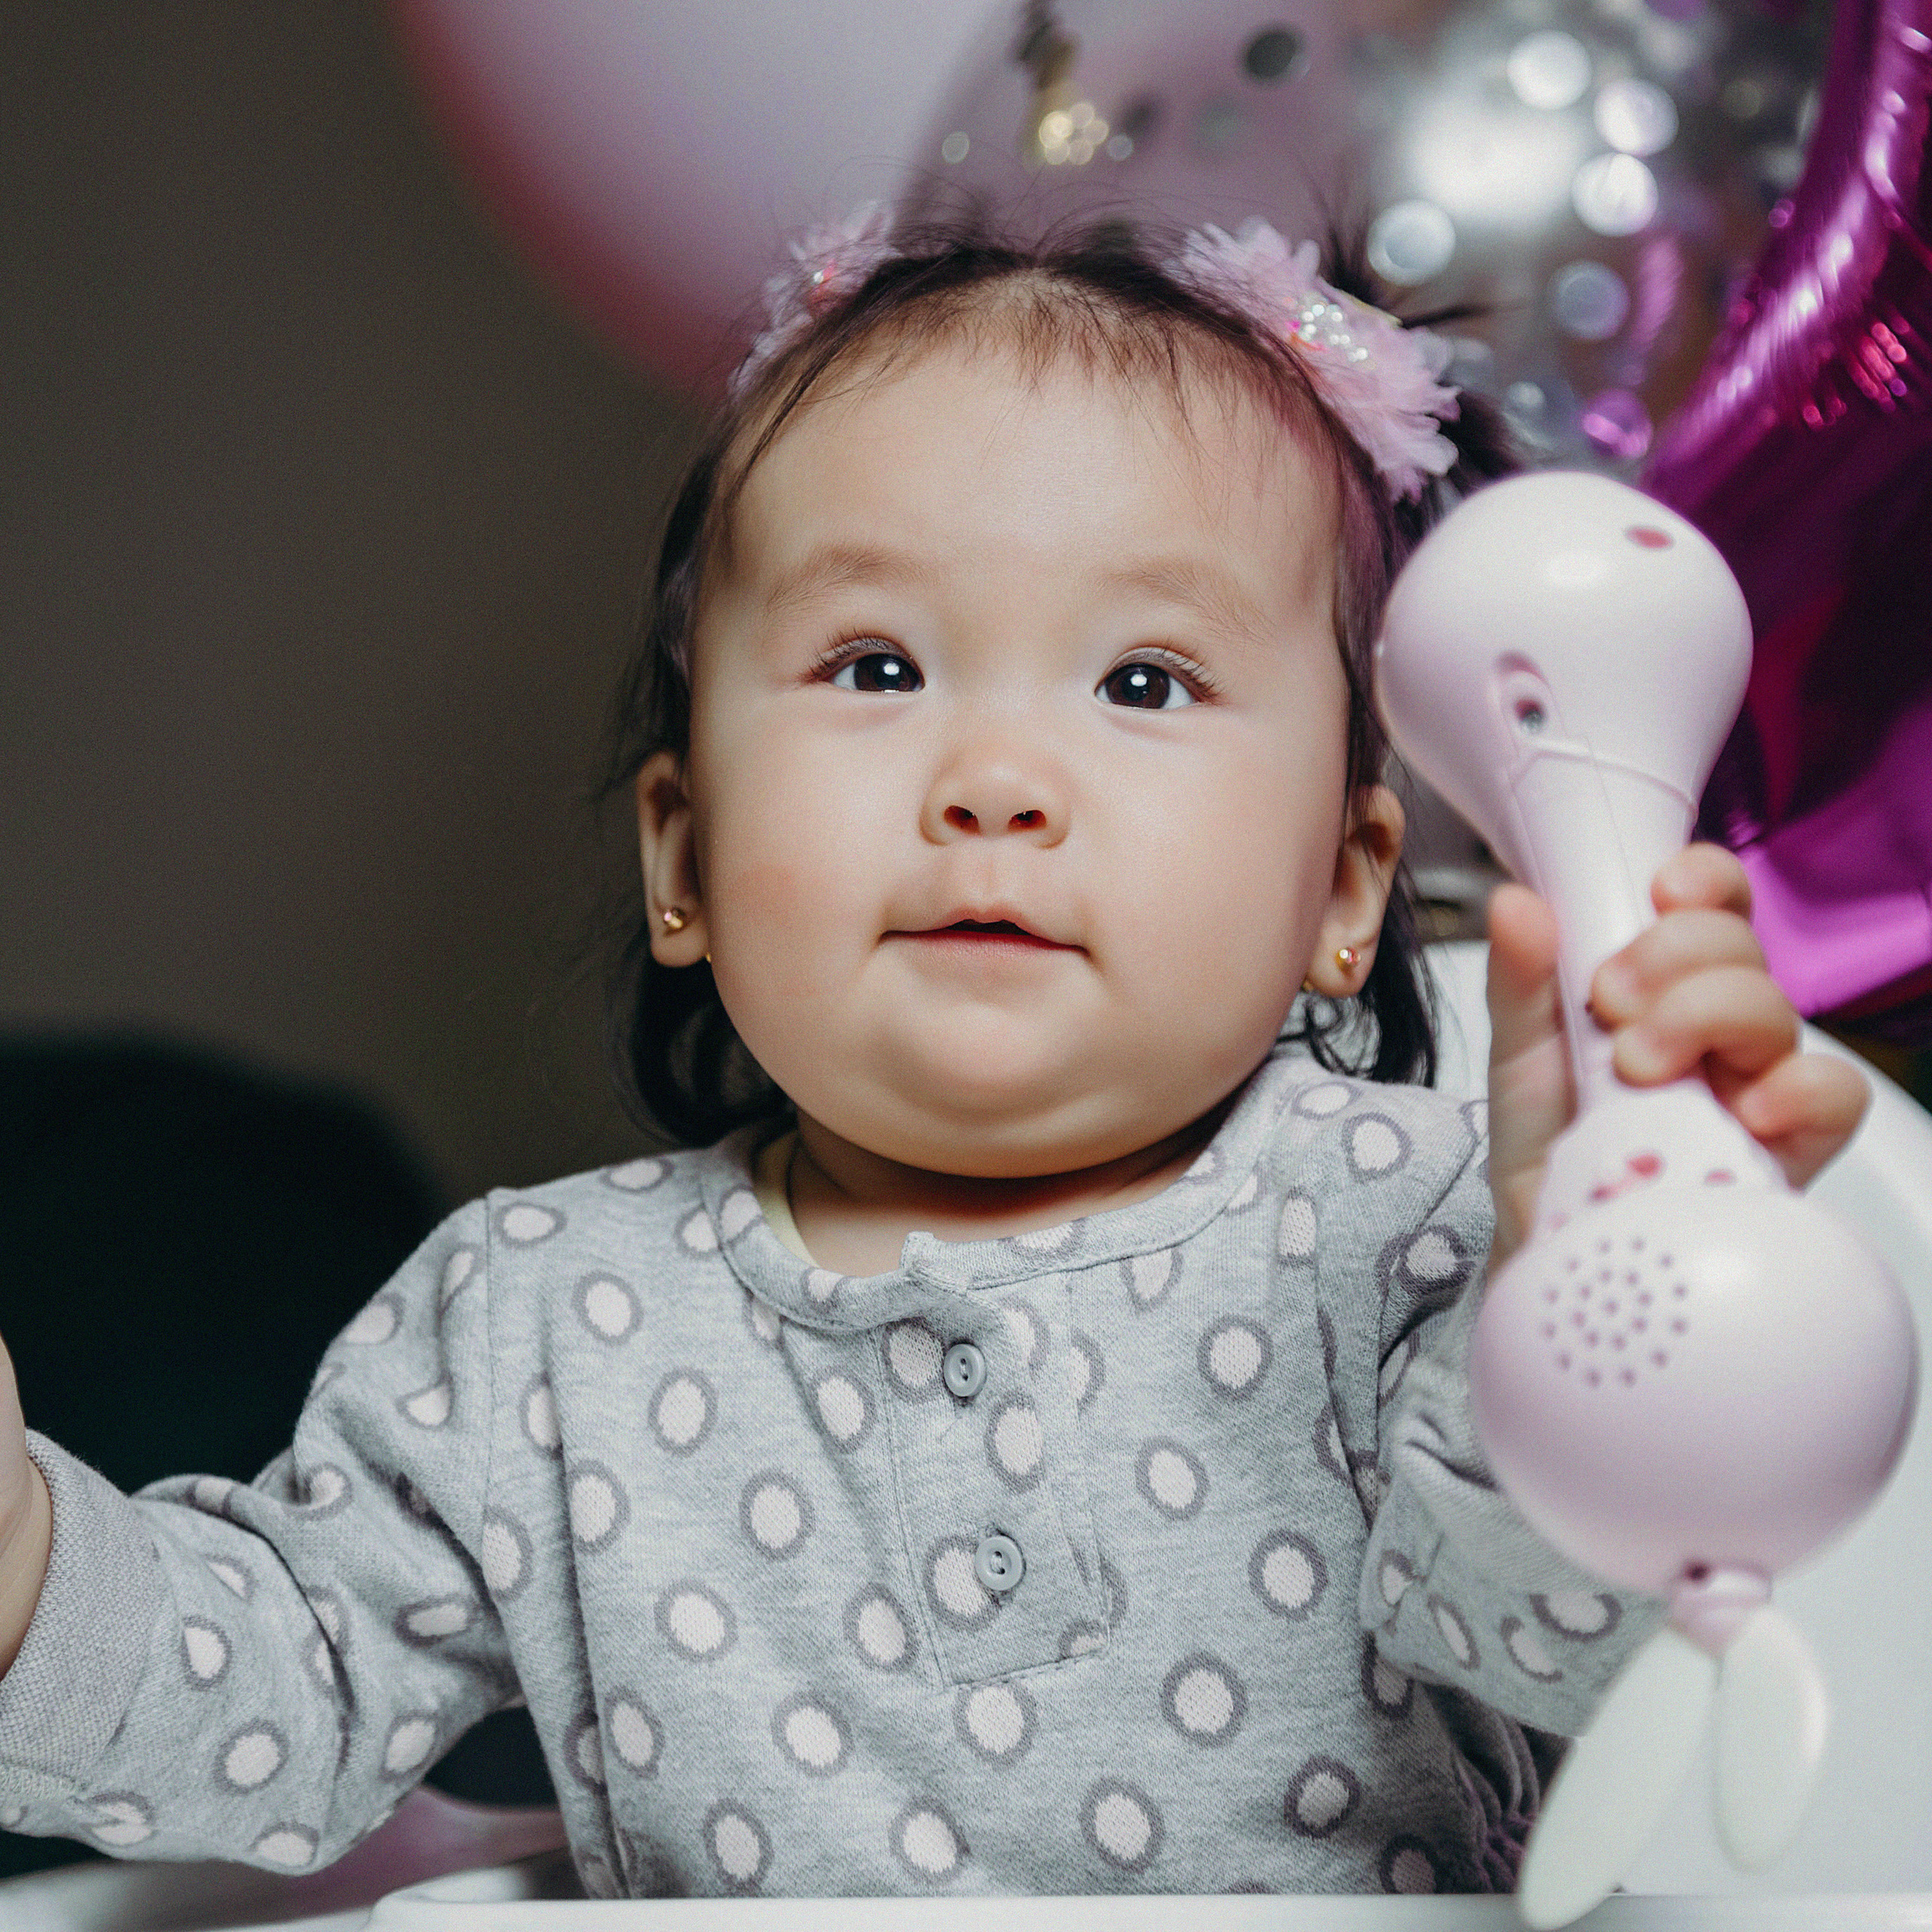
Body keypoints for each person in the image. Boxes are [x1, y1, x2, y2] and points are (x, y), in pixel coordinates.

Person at [0, 208, 1867, 1898]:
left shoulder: (1412, 1235)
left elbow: (1555, 1637)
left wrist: (1587, 1272)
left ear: (1342, 886)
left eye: (1142, 680)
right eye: (876, 666)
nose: (991, 782)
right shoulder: (534, 1324)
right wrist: (23, 1559)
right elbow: (277, 1704)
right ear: (680, 859)